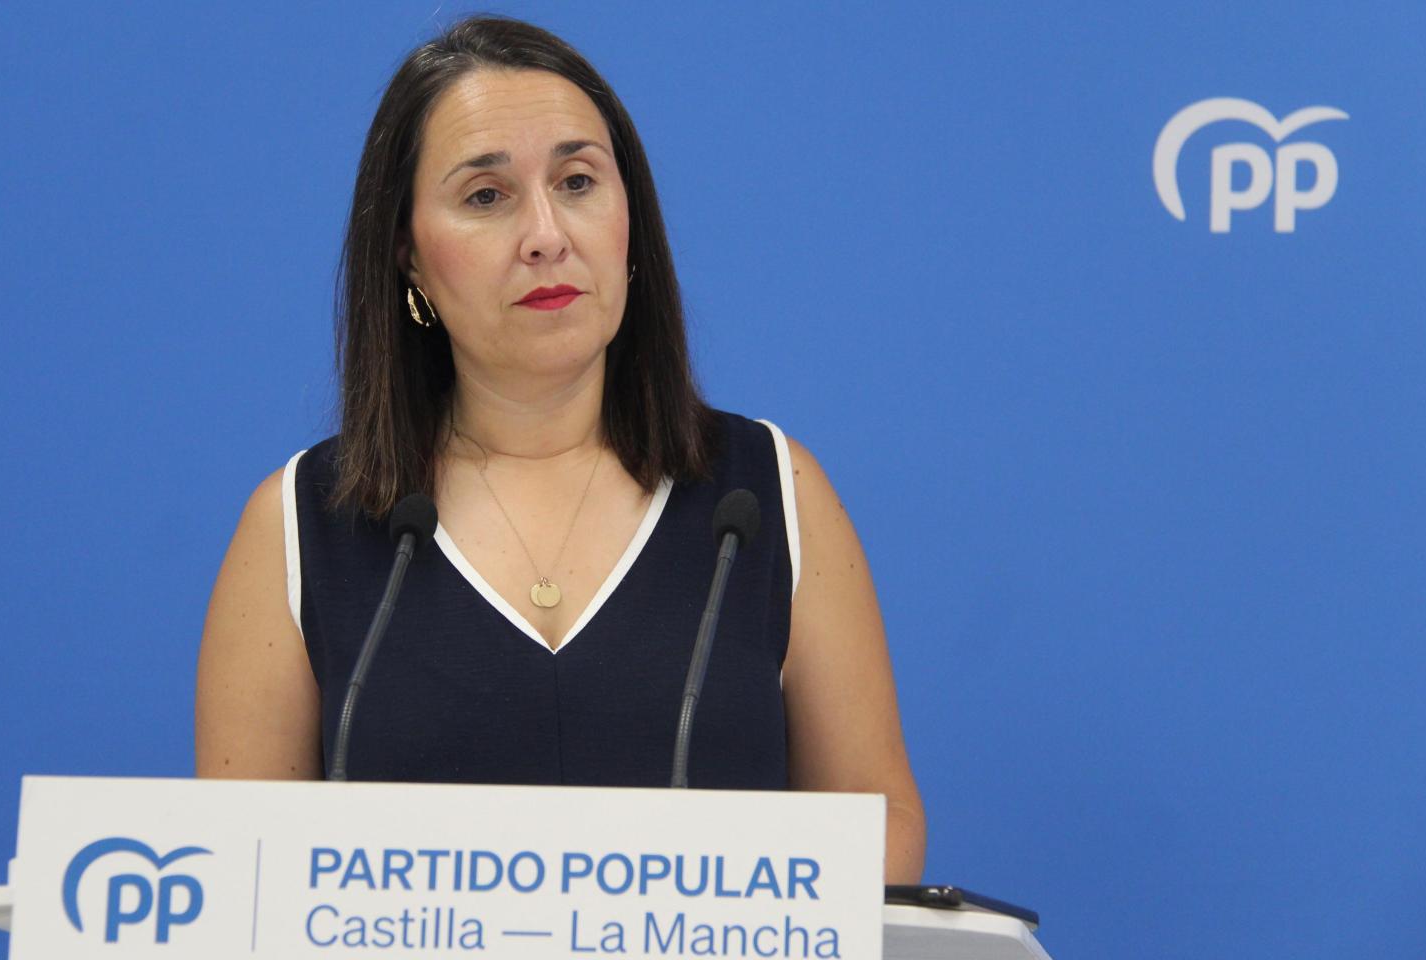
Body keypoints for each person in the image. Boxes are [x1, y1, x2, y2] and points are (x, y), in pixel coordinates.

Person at [194, 15, 924, 882]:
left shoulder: (768, 496)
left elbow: (879, 827)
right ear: (408, 256)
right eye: (486, 196)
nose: (547, 234)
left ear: (630, 223)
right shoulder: (300, 526)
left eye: (578, 182)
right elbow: (239, 878)